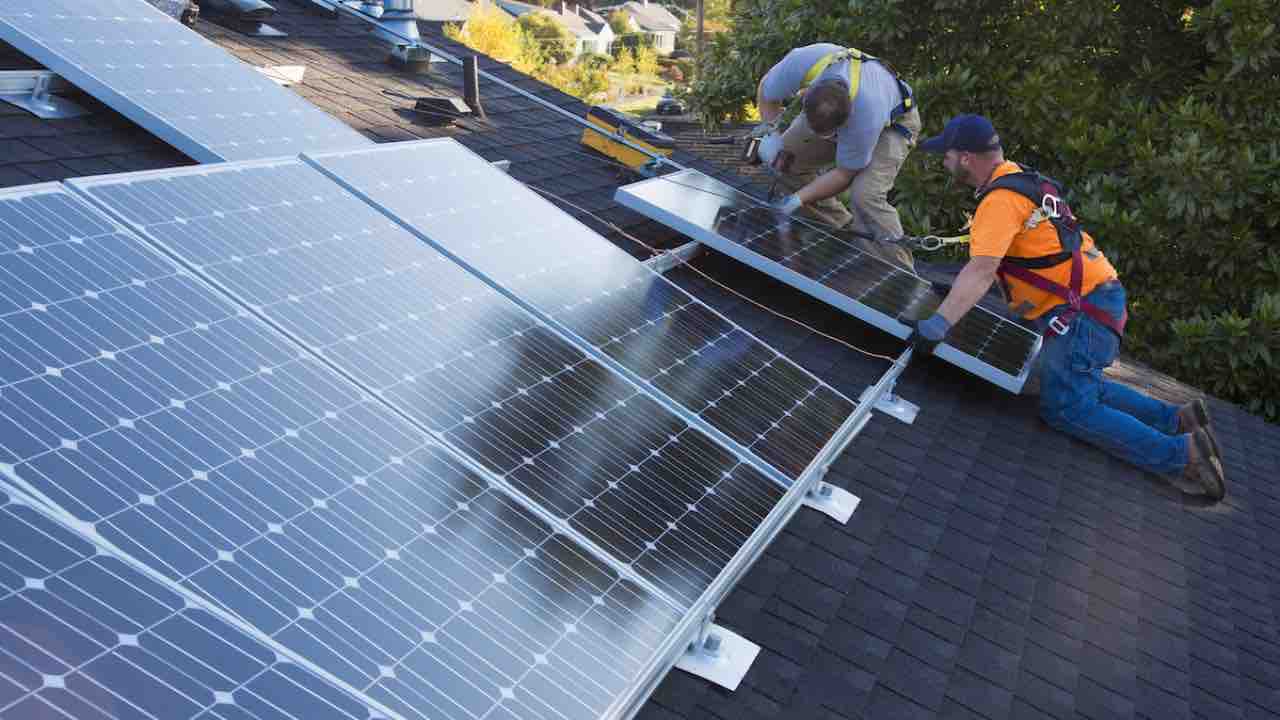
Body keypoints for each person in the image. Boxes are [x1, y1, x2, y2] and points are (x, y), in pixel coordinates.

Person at [907, 114, 1226, 500]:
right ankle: (1177, 419)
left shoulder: (999, 201)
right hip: (1097, 299)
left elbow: (982, 270)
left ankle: (1183, 455)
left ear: (966, 158)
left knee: (1067, 407)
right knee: (1079, 383)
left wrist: (939, 324)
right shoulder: (1021, 178)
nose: (943, 161)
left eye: (947, 154)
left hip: (1082, 314)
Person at [754, 43, 921, 269]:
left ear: (844, 125)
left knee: (865, 195)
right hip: (840, 107)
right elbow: (766, 90)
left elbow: (844, 174)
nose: (818, 137)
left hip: (894, 124)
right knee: (784, 160)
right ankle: (847, 237)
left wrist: (797, 199)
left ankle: (901, 274)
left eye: (826, 135)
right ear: (807, 97)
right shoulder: (801, 62)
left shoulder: (865, 117)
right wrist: (770, 132)